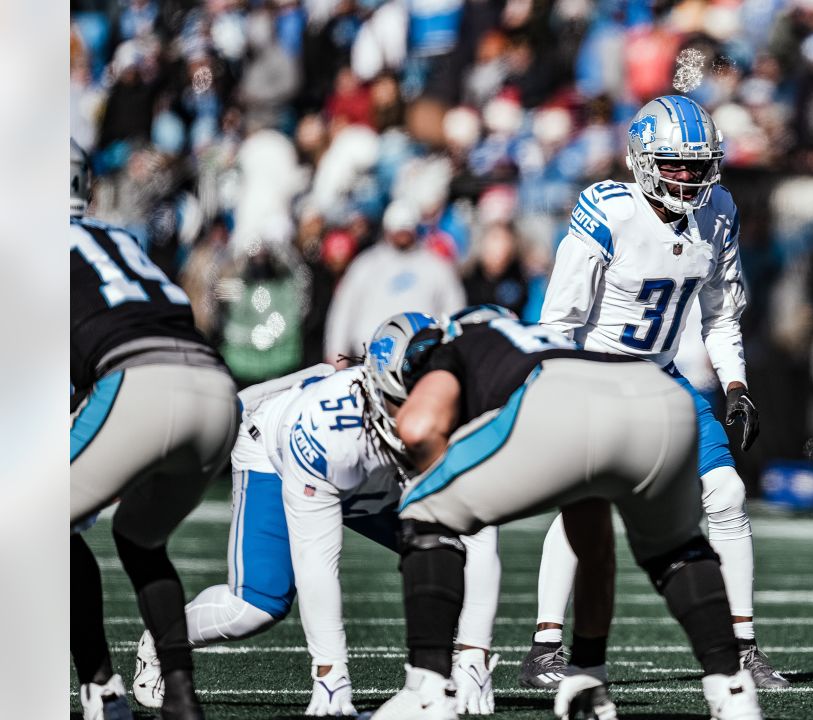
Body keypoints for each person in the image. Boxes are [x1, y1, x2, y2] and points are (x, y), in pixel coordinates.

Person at [369, 314, 763, 720]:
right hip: (661, 396)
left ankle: (427, 690)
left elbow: (418, 428)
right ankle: (731, 690)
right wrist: (587, 668)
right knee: (676, 552)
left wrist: (436, 480)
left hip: (562, 399)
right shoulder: (506, 335)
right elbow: (595, 549)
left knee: (424, 508)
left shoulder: (448, 346)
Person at [520, 94, 788, 691]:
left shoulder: (718, 210)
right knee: (584, 505)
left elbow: (720, 315)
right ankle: (543, 647)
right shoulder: (607, 210)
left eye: (699, 164)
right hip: (594, 371)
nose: (689, 176)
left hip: (661, 377)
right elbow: (561, 318)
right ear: (642, 159)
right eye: (676, 164)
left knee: (726, 491)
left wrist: (737, 385)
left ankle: (743, 647)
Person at [131, 312, 504, 717]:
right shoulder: (327, 432)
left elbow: (477, 529)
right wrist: (331, 675)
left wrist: (473, 655)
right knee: (257, 604)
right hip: (277, 458)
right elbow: (318, 561)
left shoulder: (455, 405)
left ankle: (449, 670)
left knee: (458, 540)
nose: (422, 414)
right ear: (379, 390)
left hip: (374, 471)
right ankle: (162, 637)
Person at [71, 139, 239, 720]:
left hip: (140, 382)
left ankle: (102, 689)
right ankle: (180, 696)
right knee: (139, 538)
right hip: (217, 390)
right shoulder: (120, 239)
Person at [325, 200, 466, 364]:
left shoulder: (436, 266)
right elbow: (344, 311)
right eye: (398, 231)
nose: (402, 236)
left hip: (422, 359)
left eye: (405, 230)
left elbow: (454, 309)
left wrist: (454, 350)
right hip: (368, 359)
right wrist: (336, 352)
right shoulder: (366, 265)